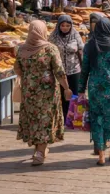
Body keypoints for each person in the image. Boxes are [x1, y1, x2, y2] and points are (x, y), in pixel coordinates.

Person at [14, 21, 71, 166]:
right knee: (44, 120)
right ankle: (39, 152)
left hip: (29, 91)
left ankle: (38, 149)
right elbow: (59, 71)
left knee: (33, 119)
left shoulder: (21, 49)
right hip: (47, 91)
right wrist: (66, 88)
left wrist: (28, 77)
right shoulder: (50, 49)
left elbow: (17, 69)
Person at [81, 14, 110, 166]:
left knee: (98, 120)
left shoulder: (89, 45)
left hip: (96, 88)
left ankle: (101, 156)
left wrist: (81, 89)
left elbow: (84, 70)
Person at [49, 14, 84, 95]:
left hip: (74, 70)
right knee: (62, 95)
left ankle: (72, 108)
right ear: (58, 25)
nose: (65, 28)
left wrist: (83, 67)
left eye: (68, 25)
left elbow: (81, 50)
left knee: (74, 95)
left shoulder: (75, 35)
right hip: (59, 72)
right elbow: (49, 51)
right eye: (62, 25)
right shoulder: (53, 36)